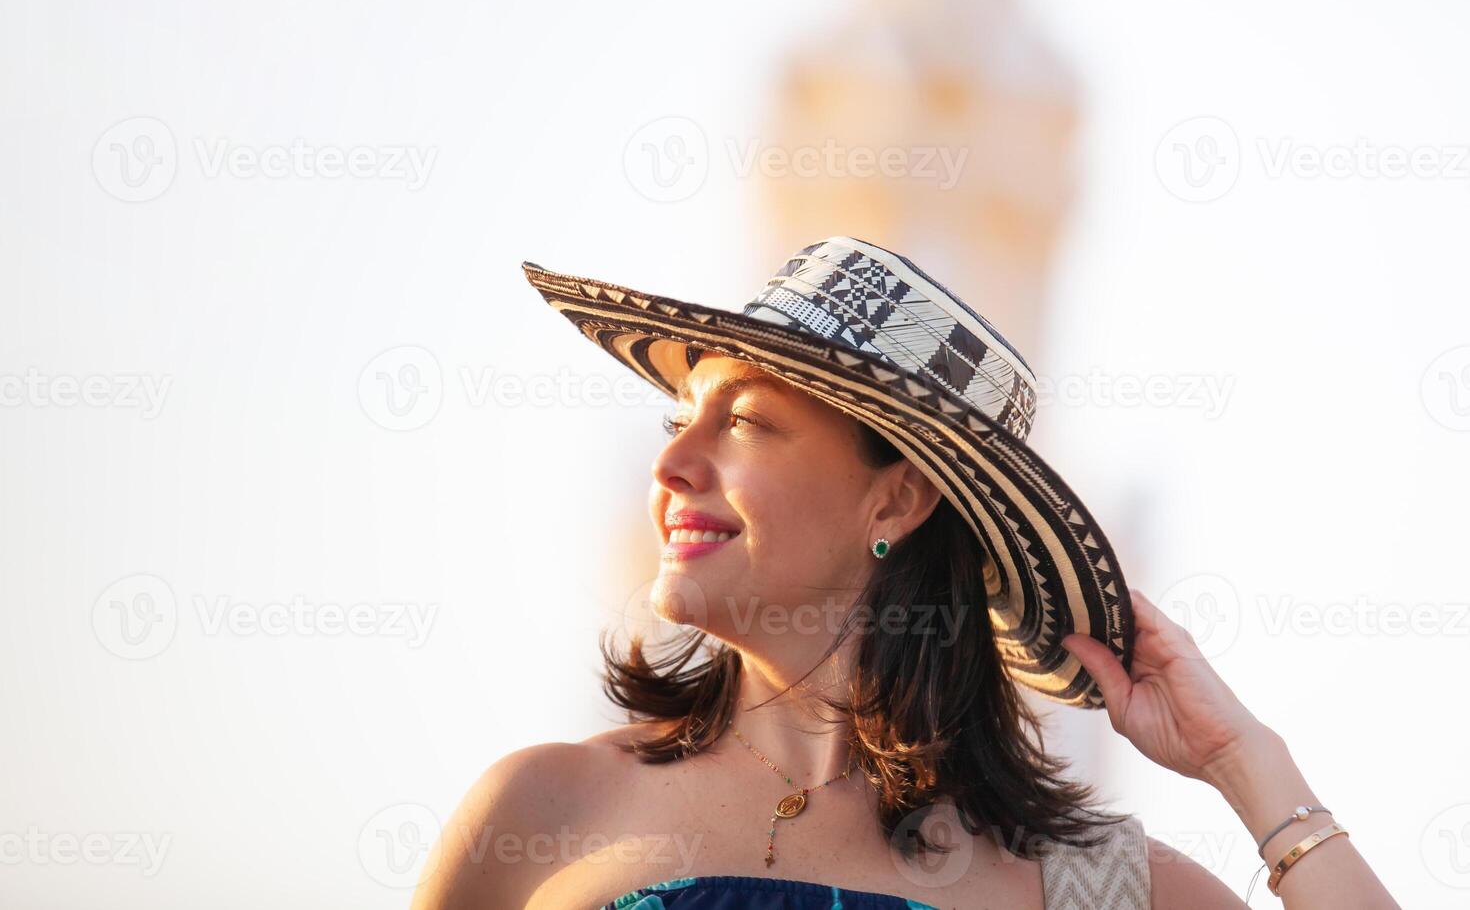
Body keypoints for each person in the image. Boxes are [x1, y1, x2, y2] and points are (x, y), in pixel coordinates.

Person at [411, 238, 1400, 909]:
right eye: (681, 421)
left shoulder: (1086, 881)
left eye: (745, 421)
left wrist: (1243, 757)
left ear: (897, 500)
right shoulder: (546, 804)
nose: (671, 464)